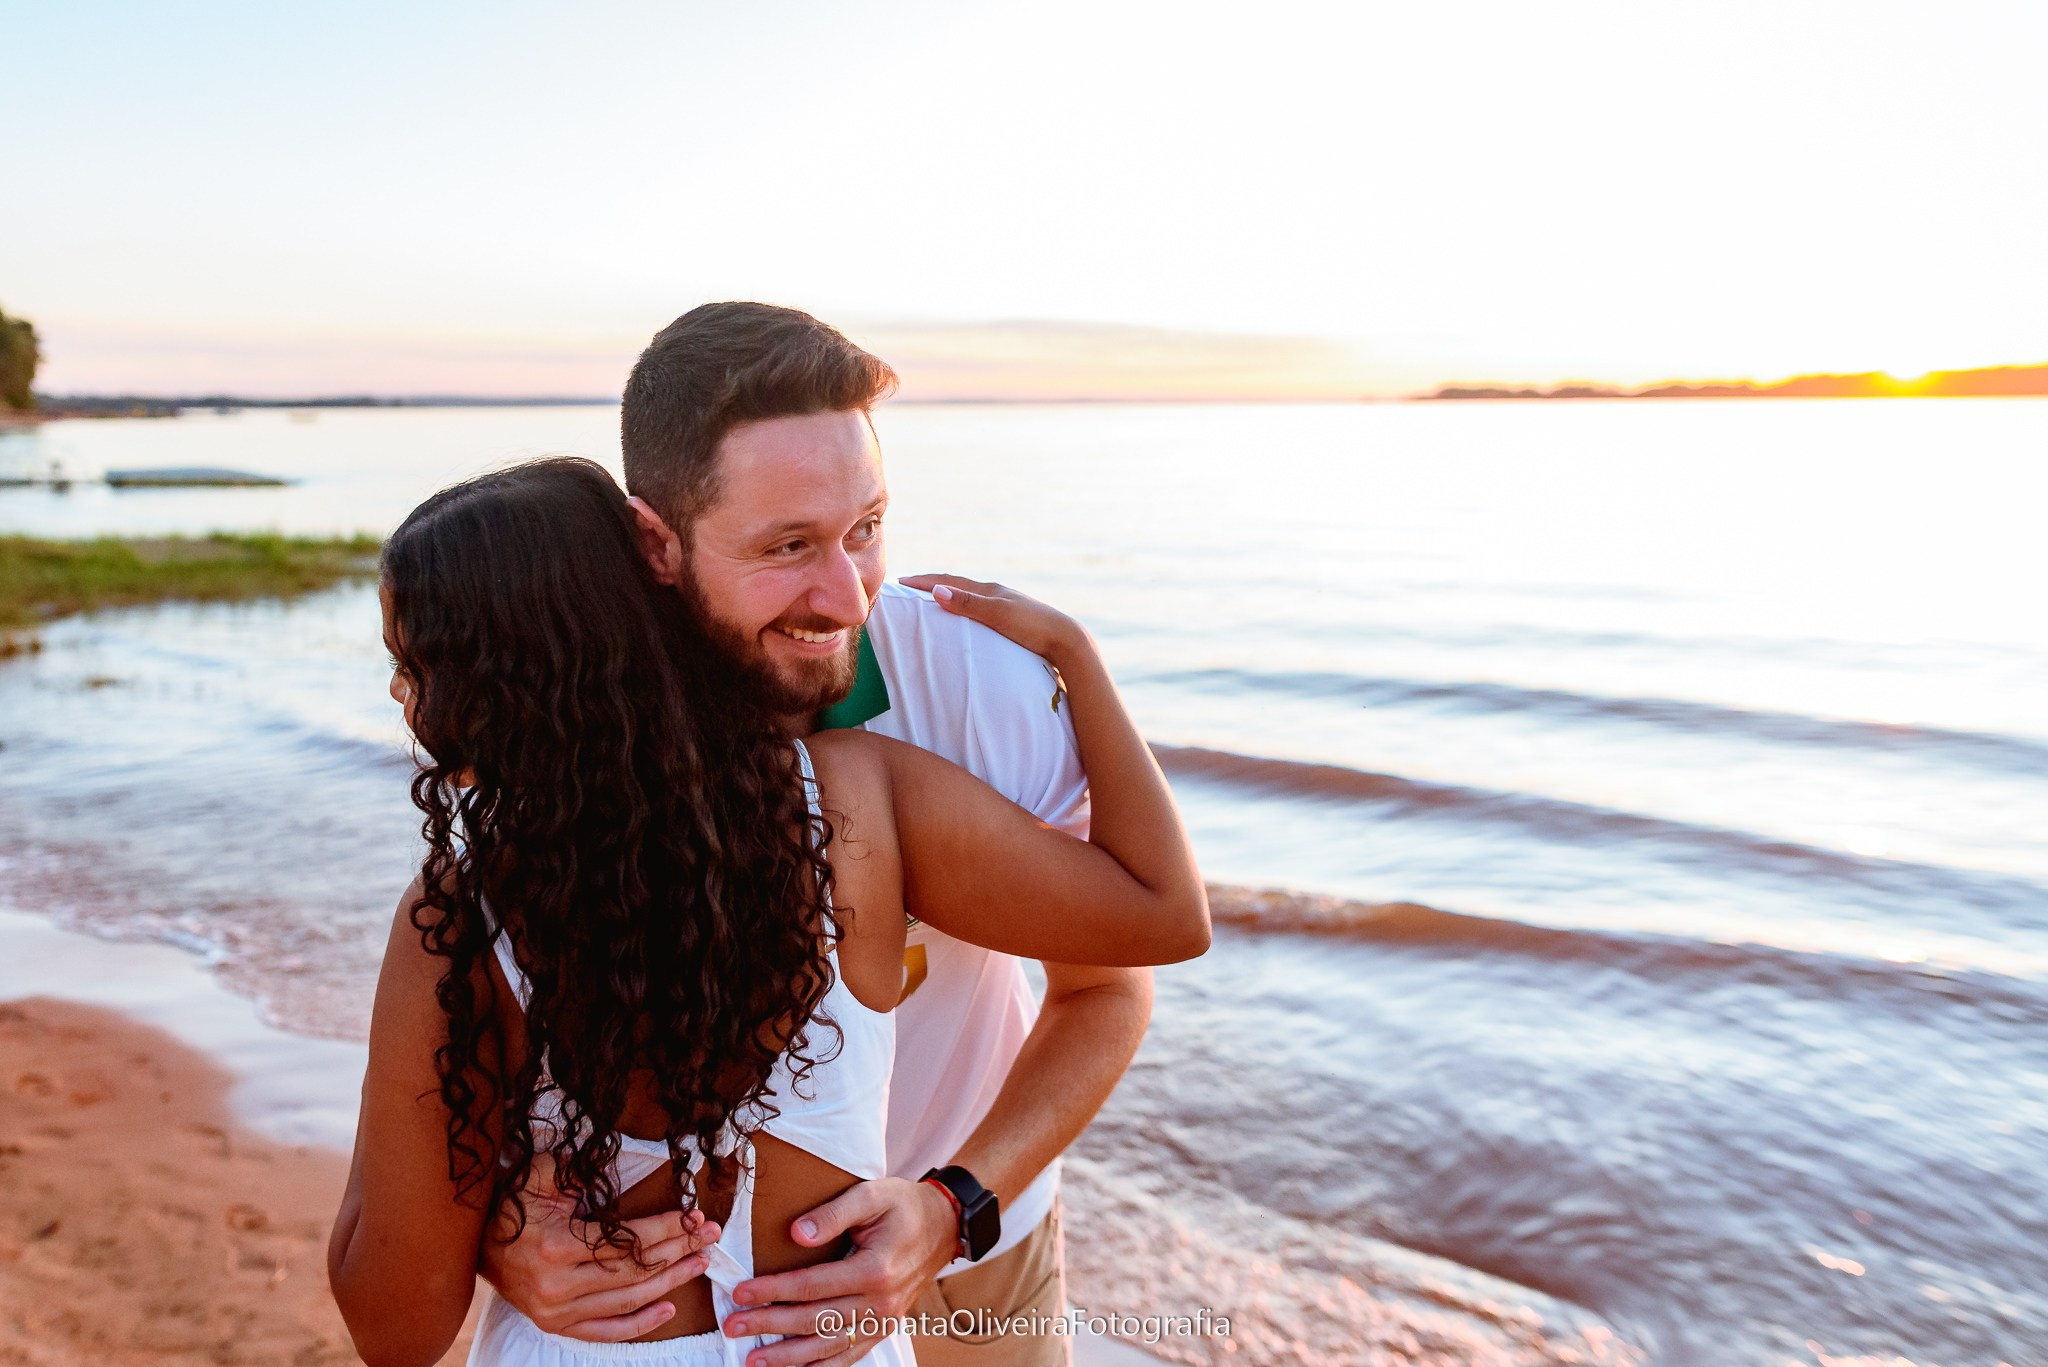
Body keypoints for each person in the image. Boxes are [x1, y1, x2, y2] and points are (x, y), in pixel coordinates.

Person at [327, 458, 1208, 1367]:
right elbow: (1164, 914)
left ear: (503, 685)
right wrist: (1075, 655)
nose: (400, 694)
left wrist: (491, 1225)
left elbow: (395, 1328)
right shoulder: (859, 803)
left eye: (413, 664)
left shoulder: (460, 917)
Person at [478, 304, 1155, 1367]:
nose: (846, 594)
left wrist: (954, 1203)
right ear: (656, 542)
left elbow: (1106, 986)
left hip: (980, 1245)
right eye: (787, 545)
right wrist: (495, 1227)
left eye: (866, 527)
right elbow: (491, 1004)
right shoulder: (578, 700)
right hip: (687, 1293)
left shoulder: (984, 685)